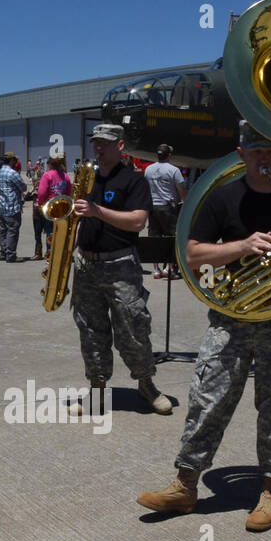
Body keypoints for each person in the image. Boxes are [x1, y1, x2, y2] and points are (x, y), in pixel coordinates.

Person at [136, 122, 271, 530]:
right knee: (207, 400)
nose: (265, 158)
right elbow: (192, 254)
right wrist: (241, 246)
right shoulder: (223, 197)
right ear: (241, 154)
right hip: (232, 317)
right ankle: (185, 485)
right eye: (256, 150)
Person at [66, 124, 171, 417]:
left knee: (133, 328)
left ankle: (146, 384)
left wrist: (98, 211)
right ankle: (97, 387)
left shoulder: (133, 181)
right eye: (96, 143)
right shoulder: (84, 180)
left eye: (105, 144)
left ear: (120, 146)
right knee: (90, 330)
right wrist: (63, 250)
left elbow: (138, 221)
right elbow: (78, 221)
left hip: (120, 265)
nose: (98, 148)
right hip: (86, 265)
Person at [144, 143, 186, 278]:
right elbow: (181, 191)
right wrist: (184, 202)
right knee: (171, 238)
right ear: (169, 155)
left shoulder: (148, 169)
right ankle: (168, 269)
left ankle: (156, 269)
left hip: (153, 206)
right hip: (168, 207)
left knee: (154, 237)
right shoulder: (174, 170)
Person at [33, 154, 70, 261]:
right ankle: (56, 252)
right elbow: (68, 193)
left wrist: (40, 203)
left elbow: (41, 192)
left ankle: (47, 253)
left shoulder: (47, 175)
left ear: (50, 164)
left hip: (48, 207)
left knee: (46, 231)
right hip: (61, 207)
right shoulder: (65, 176)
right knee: (57, 231)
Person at [0, 152, 27, 261]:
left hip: (1, 206)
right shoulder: (12, 173)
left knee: (3, 231)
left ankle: (3, 252)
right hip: (12, 206)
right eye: (15, 160)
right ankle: (11, 254)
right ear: (11, 160)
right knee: (12, 231)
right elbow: (23, 187)